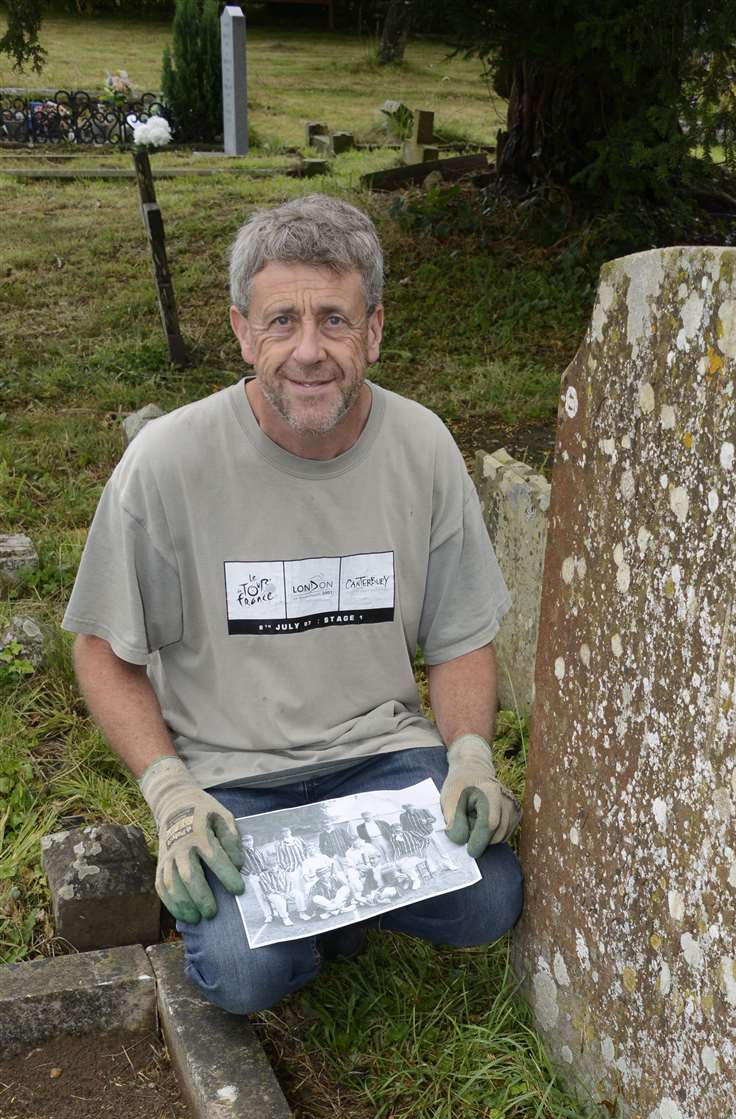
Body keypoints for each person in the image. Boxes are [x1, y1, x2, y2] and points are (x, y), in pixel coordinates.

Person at [62, 193, 523, 1013]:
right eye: (282, 322)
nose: (309, 351)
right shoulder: (166, 465)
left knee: (490, 903)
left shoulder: (422, 447)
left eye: (334, 321)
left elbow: (458, 636)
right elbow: (102, 649)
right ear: (242, 331)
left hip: (380, 761)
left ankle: (313, 907)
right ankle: (301, 913)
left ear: (374, 330)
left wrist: (470, 759)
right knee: (244, 977)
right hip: (231, 778)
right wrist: (172, 796)